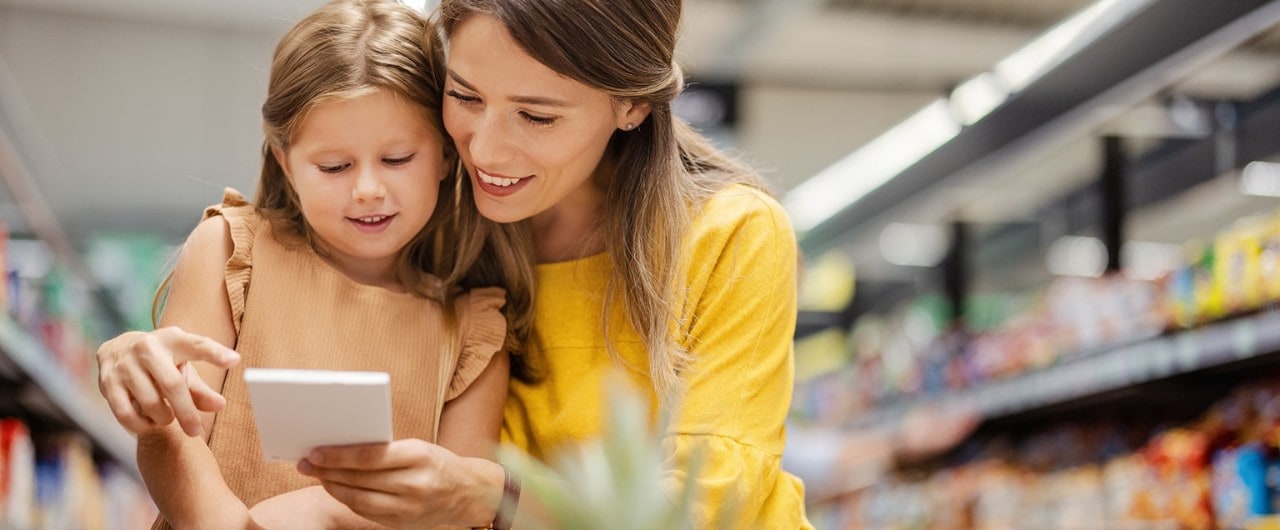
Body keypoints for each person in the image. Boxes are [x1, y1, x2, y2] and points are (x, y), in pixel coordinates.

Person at [295, 0, 817, 527]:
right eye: (464, 96)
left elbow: (705, 503)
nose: (488, 151)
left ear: (631, 104)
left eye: (536, 116)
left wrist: (496, 497)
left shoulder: (730, 234)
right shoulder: (435, 227)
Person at [93, 1, 529, 528]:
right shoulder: (232, 252)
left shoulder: (473, 335)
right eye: (334, 166)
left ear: (444, 154)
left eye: (397, 159)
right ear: (285, 161)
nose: (368, 189)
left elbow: (454, 512)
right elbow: (171, 437)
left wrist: (330, 512)